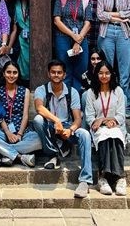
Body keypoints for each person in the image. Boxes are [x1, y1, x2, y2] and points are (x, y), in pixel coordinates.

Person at [31, 60, 93, 199]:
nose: (56, 75)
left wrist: (70, 130)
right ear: (48, 74)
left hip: (67, 126)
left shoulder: (72, 92)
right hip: (50, 126)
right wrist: (56, 120)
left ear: (64, 75)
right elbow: (39, 108)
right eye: (53, 72)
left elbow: (78, 118)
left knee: (84, 134)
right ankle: (53, 154)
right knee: (38, 119)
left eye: (59, 72)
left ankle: (85, 180)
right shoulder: (42, 89)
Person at [96, 0, 130, 118]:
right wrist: (120, 16)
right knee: (106, 69)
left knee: (125, 71)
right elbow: (100, 15)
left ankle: (126, 106)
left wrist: (110, 14)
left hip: (123, 31)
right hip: (106, 32)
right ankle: (106, 106)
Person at [84, 61, 127, 196]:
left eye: (107, 73)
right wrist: (102, 120)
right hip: (99, 127)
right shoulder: (91, 93)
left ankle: (120, 178)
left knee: (114, 136)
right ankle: (104, 177)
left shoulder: (118, 91)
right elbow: (90, 116)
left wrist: (112, 121)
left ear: (111, 74)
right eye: (101, 73)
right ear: (96, 75)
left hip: (116, 125)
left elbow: (121, 114)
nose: (104, 76)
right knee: (104, 136)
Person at [0, 60, 40, 167]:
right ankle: (21, 157)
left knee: (39, 139)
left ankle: (6, 154)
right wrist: (8, 133)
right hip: (4, 131)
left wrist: (19, 134)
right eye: (8, 72)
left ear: (18, 74)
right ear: (3, 74)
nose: (11, 75)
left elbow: (25, 115)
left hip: (23, 132)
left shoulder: (24, 91)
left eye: (15, 72)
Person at [52, 0, 92, 92]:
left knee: (82, 68)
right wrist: (73, 35)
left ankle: (78, 100)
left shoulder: (85, 1)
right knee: (64, 68)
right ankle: (65, 97)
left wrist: (78, 39)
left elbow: (88, 22)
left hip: (81, 37)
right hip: (63, 37)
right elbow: (57, 20)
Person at [8, 0, 31, 83]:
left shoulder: (34, 0)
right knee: (22, 61)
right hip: (22, 37)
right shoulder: (14, 3)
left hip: (34, 36)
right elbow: (14, 26)